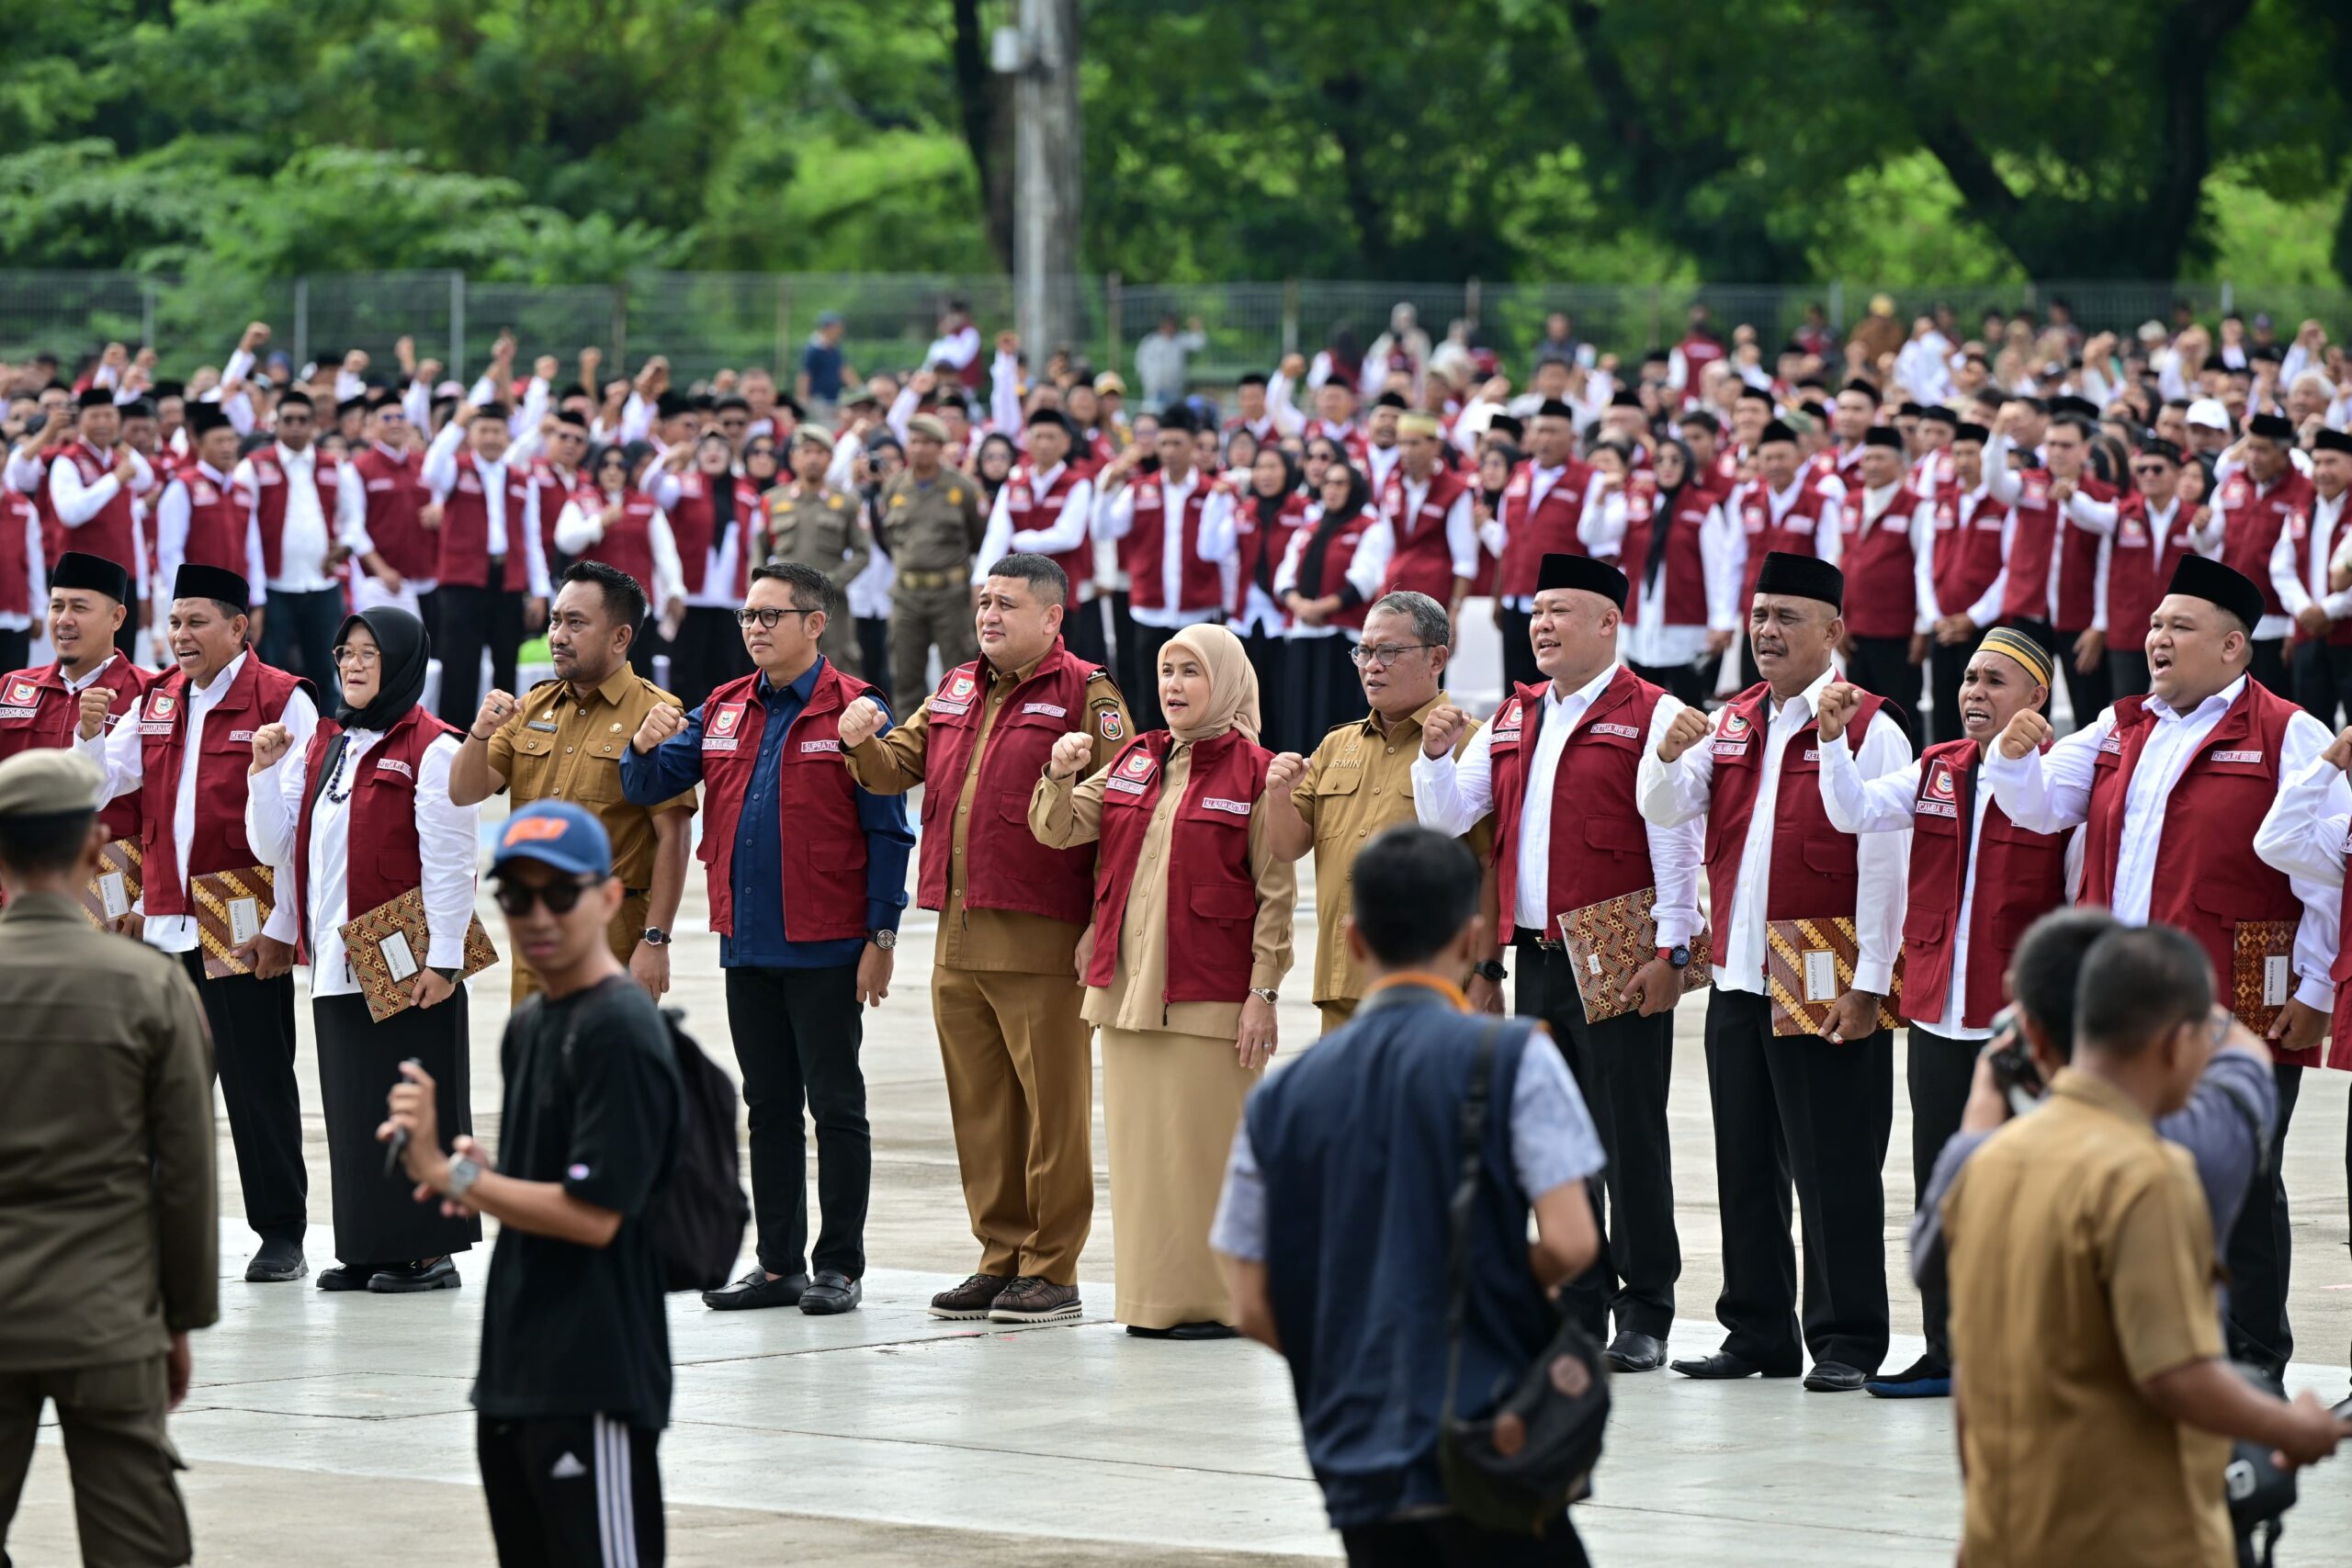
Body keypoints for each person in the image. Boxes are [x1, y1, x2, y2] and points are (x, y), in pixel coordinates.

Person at [1986, 555, 2341, 1378]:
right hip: (2120, 1003)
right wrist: (2010, 756)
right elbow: (2037, 806)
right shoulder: (2117, 726)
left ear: (2234, 647)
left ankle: (2250, 1355)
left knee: (2240, 1180)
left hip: (2239, 993)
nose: (2157, 639)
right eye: (2153, 624)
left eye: (2180, 626)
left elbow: (2324, 876)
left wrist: (2318, 989)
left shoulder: (2291, 731)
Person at [1212, 826, 1603, 1568]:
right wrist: (1469, 1294)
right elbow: (1573, 1241)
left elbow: (1251, 1302)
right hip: (1491, 1438)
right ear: (1471, 938)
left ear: (1355, 941)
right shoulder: (1515, 1056)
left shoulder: (1281, 1098)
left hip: (1358, 1453)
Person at [1936, 925, 2346, 1568]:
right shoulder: (2148, 1176)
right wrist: (2292, 1427)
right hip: (2131, 1538)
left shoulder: (1987, 1163)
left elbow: (1973, 1376)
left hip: (2007, 1532)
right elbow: (2176, 1374)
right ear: (2179, 1043)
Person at [1414, 555, 1701, 1372]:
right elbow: (1448, 817)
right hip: (1537, 955)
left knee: (1628, 1137)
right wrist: (1435, 757)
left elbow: (1675, 846)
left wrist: (1672, 952)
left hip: (1617, 951)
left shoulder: (1654, 712)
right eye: (1537, 611)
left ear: (1609, 624)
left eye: (1561, 611)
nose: (1541, 625)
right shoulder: (1514, 712)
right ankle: (1579, 1303)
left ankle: (1646, 1308)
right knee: (1554, 1139)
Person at [1637, 551, 1912, 1391]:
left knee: (1835, 1164)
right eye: (1759, 615)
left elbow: (1887, 861)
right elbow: (1666, 811)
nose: (1766, 631)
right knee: (1745, 1163)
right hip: (1742, 975)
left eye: (1787, 617)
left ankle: (1847, 1338)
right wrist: (1664, 753)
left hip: (1827, 970)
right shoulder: (1733, 719)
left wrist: (1872, 981)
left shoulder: (1870, 724)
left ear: (1833, 631)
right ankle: (1757, 1330)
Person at [381, 803, 682, 1568]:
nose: (536, 914)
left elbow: (594, 1214)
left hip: (592, 1380)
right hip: (518, 1373)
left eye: (560, 893)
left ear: (609, 899)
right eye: (515, 896)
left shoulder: (620, 1026)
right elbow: (544, 1183)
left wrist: (459, 1175)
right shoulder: (532, 1025)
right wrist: (483, 1173)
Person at [621, 561, 911, 1316]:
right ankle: (779, 1262)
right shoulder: (722, 708)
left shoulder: (856, 710)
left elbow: (888, 830)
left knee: (836, 1104)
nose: (754, 627)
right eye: (748, 616)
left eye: (771, 616)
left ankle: (839, 1264)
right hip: (747, 943)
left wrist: (882, 931)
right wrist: (645, 744)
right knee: (768, 1106)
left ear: (815, 624)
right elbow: (649, 787)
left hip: (827, 943)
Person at [1812, 630, 2069, 1397]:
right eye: (1967, 679)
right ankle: (1945, 1349)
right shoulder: (1936, 767)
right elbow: (1853, 810)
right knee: (1942, 1191)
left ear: (2036, 698)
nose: (1974, 693)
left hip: (2015, 1023)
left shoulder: (2057, 784)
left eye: (1994, 681)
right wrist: (1831, 741)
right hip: (1935, 1015)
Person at [1030, 622, 1295, 1337]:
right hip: (1125, 994)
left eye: (1191, 672)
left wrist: (1263, 993)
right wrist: (1057, 771)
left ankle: (1220, 1302)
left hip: (1211, 996)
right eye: (1167, 670)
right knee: (1145, 1166)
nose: (1173, 685)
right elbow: (1059, 829)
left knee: (1207, 1159)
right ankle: (1151, 1301)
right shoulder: (1136, 759)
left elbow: (1276, 895)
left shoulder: (1256, 771)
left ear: (1229, 683)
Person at [0, 749, 217, 1568]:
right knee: (137, 1548)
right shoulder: (149, 987)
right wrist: (180, 1316)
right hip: (108, 1312)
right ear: (97, 850)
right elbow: (188, 1176)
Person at [82, 563, 319, 1283]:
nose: (179, 636)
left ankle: (280, 1231)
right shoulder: (156, 698)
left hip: (238, 911)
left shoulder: (283, 701)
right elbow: (98, 783)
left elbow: (300, 824)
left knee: (256, 1081)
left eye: (196, 623)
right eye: (174, 623)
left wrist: (284, 924)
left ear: (239, 627)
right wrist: (90, 736)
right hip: (161, 920)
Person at [245, 606, 482, 1295]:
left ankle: (428, 1250)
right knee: (355, 1107)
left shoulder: (434, 747)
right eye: (345, 652)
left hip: (408, 957)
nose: (351, 665)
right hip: (339, 954)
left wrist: (445, 961)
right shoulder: (326, 744)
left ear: (402, 663)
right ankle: (371, 1245)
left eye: (369, 655)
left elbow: (449, 863)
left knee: (414, 1102)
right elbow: (272, 847)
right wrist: (263, 772)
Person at [449, 560, 695, 1007]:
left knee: (605, 1068)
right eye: (555, 620)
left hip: (612, 930)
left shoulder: (657, 712)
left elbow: (674, 835)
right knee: (535, 1065)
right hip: (535, 924)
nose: (558, 635)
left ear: (621, 637)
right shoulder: (531, 706)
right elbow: (465, 792)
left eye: (576, 623)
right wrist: (479, 734)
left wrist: (655, 941)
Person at [1266, 591, 1485, 1033]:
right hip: (1342, 977)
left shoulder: (1472, 743)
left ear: (1437, 659)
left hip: (1431, 987)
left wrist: (1485, 974)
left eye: (1388, 651)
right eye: (1363, 651)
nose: (1372, 665)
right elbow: (1288, 846)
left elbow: (1491, 868)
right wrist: (1276, 796)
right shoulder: (1336, 745)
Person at [0, 553, 150, 893]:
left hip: (112, 901)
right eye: (57, 606)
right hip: (16, 894)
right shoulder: (10, 689)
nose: (64, 620)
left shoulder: (150, 697)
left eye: (79, 608)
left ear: (117, 617)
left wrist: (147, 902)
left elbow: (166, 812)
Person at [1095, 406, 1239, 733]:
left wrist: (1229, 608)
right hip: (1150, 610)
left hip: (1197, 608)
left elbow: (1225, 555)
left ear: (1192, 446)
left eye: (1177, 443)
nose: (1170, 451)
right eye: (1164, 444)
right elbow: (1104, 530)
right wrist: (1106, 489)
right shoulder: (1139, 489)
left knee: (1202, 697)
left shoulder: (1211, 491)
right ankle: (1152, 768)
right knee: (1150, 695)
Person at [423, 401, 552, 730]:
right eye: (484, 430)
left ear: (508, 435)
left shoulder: (522, 479)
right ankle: (453, 736)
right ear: (473, 435)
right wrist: (456, 425)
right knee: (459, 663)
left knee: (505, 661)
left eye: (497, 431)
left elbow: (531, 537)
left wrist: (539, 591)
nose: (492, 438)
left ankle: (502, 739)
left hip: (507, 578)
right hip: (463, 579)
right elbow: (430, 470)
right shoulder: (457, 469)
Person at [1487, 399, 1621, 694]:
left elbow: (1604, 552)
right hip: (1516, 602)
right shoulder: (1518, 474)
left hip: (1563, 609)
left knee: (1558, 690)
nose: (1545, 439)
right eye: (1540, 431)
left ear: (1572, 438)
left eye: (1553, 432)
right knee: (1515, 692)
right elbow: (1506, 543)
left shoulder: (1590, 480)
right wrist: (1498, 595)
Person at [235, 388, 355, 702]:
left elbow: (354, 519)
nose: (296, 426)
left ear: (314, 423)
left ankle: (329, 741)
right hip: (274, 586)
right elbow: (242, 527)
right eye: (288, 419)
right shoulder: (254, 466)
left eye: (303, 420)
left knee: (326, 670)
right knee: (272, 669)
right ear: (276, 423)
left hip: (322, 584)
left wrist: (343, 547)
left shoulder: (334, 466)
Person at [645, 431, 762, 713]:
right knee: (685, 670)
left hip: (731, 599)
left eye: (720, 447)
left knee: (726, 670)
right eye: (706, 447)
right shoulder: (683, 484)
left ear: (730, 454)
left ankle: (724, 732)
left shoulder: (746, 492)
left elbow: (755, 542)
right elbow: (649, 487)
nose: (713, 452)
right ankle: (684, 728)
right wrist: (670, 457)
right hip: (692, 597)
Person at [876, 413, 985, 713]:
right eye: (914, 441)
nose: (920, 448)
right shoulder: (894, 487)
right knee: (905, 675)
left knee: (960, 675)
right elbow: (889, 537)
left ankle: (960, 743)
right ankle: (906, 750)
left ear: (940, 447)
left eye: (928, 442)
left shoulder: (962, 487)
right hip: (907, 594)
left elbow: (979, 537)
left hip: (950, 594)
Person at [1619, 435, 1735, 708]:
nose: (1667, 467)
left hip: (1684, 621)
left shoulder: (1704, 506)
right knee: (1643, 703)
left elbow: (1718, 569)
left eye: (1675, 460)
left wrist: (1721, 621)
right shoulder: (1639, 501)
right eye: (1660, 460)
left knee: (1686, 705)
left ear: (1688, 464)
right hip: (1642, 617)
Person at [556, 445, 685, 680]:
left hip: (638, 608)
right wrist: (598, 524)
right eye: (606, 465)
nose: (613, 471)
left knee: (638, 674)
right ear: (597, 469)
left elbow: (665, 552)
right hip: (592, 610)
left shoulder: (646, 504)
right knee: (594, 672)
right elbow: (565, 541)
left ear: (628, 471)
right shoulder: (582, 501)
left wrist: (675, 590)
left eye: (620, 465)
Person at [48, 386, 156, 655]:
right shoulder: (67, 461)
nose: (103, 423)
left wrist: (142, 589)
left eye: (109, 416)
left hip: (123, 576)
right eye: (95, 416)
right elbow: (71, 513)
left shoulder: (120, 460)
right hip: (82, 579)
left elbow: (147, 479)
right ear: (81, 420)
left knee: (122, 660)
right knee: (85, 658)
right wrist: (115, 480)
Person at [759, 425, 871, 675]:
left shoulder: (847, 503)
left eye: (820, 452)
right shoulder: (772, 500)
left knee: (841, 669)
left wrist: (830, 583)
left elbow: (863, 553)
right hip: (783, 605)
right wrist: (760, 594)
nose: (813, 458)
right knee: (782, 667)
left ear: (831, 459)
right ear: (793, 458)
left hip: (832, 605)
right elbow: (758, 550)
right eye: (807, 451)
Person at [2268, 427, 2352, 728]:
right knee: (2312, 727)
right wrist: (2305, 610)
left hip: (2347, 633)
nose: (2322, 471)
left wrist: (2328, 610)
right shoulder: (2302, 509)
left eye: (2331, 462)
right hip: (2309, 634)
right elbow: (2281, 567)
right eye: (2316, 463)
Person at [1363, 412, 1476, 622]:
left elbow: (1465, 561)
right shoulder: (1393, 486)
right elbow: (1386, 550)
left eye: (1414, 444)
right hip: (1395, 597)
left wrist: (1453, 614)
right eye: (1402, 444)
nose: (1406, 451)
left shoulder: (1454, 490)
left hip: (1433, 601)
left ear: (1435, 446)